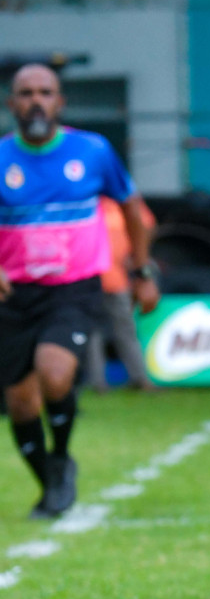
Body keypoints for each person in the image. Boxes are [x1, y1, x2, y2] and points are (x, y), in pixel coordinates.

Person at [1, 64, 160, 518]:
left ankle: (63, 455)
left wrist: (142, 270)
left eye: (45, 93)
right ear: (12, 104)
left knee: (54, 373)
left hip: (74, 288)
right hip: (15, 295)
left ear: (60, 102)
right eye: (26, 93)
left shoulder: (92, 151)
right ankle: (50, 480)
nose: (36, 101)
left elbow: (131, 207)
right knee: (20, 401)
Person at [85, 197, 156, 392]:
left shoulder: (124, 198)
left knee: (126, 329)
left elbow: (146, 225)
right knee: (92, 333)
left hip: (117, 280)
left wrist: (136, 257)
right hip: (89, 279)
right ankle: (97, 383)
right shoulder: (86, 197)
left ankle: (140, 380)